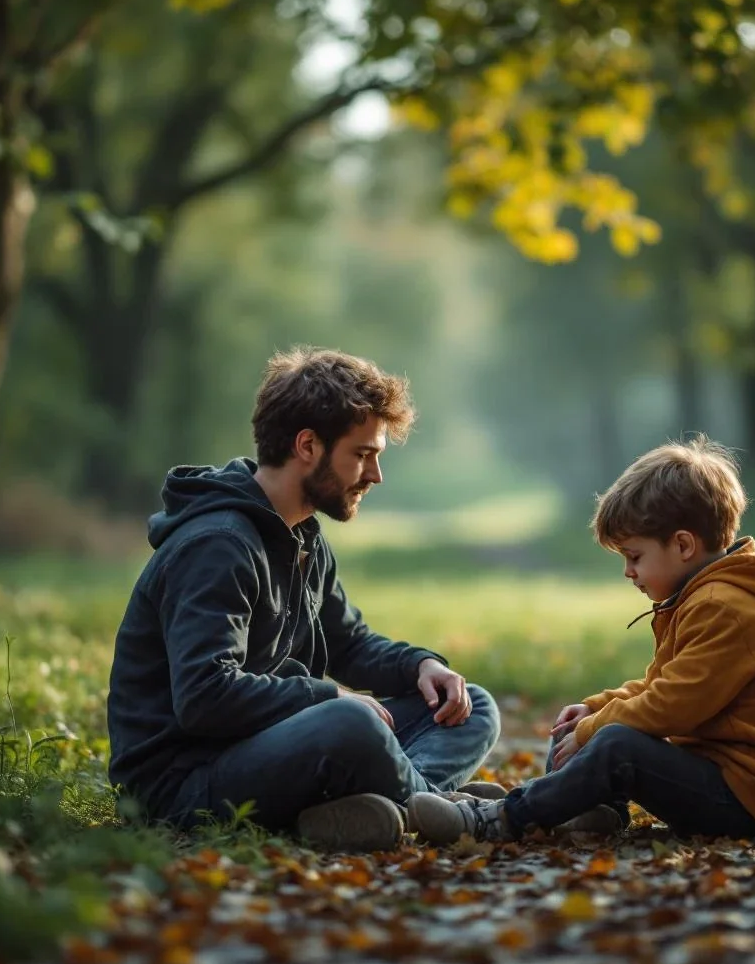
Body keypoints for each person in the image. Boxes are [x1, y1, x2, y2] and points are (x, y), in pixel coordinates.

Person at [107, 347, 501, 852]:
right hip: (183, 784)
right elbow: (204, 697)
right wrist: (326, 695)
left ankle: (389, 806)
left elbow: (349, 644)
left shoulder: (303, 537)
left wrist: (420, 666)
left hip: (261, 751)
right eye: (362, 454)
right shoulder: (218, 545)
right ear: (308, 446)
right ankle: (455, 811)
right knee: (350, 721)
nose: (376, 475)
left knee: (467, 705)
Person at [408, 434, 755, 845]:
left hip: (751, 798)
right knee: (581, 724)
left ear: (682, 545)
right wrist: (594, 708)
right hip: (722, 776)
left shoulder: (724, 608)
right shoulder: (700, 598)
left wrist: (594, 727)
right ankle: (586, 810)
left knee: (613, 741)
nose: (628, 572)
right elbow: (660, 685)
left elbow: (672, 707)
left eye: (634, 556)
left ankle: (501, 819)